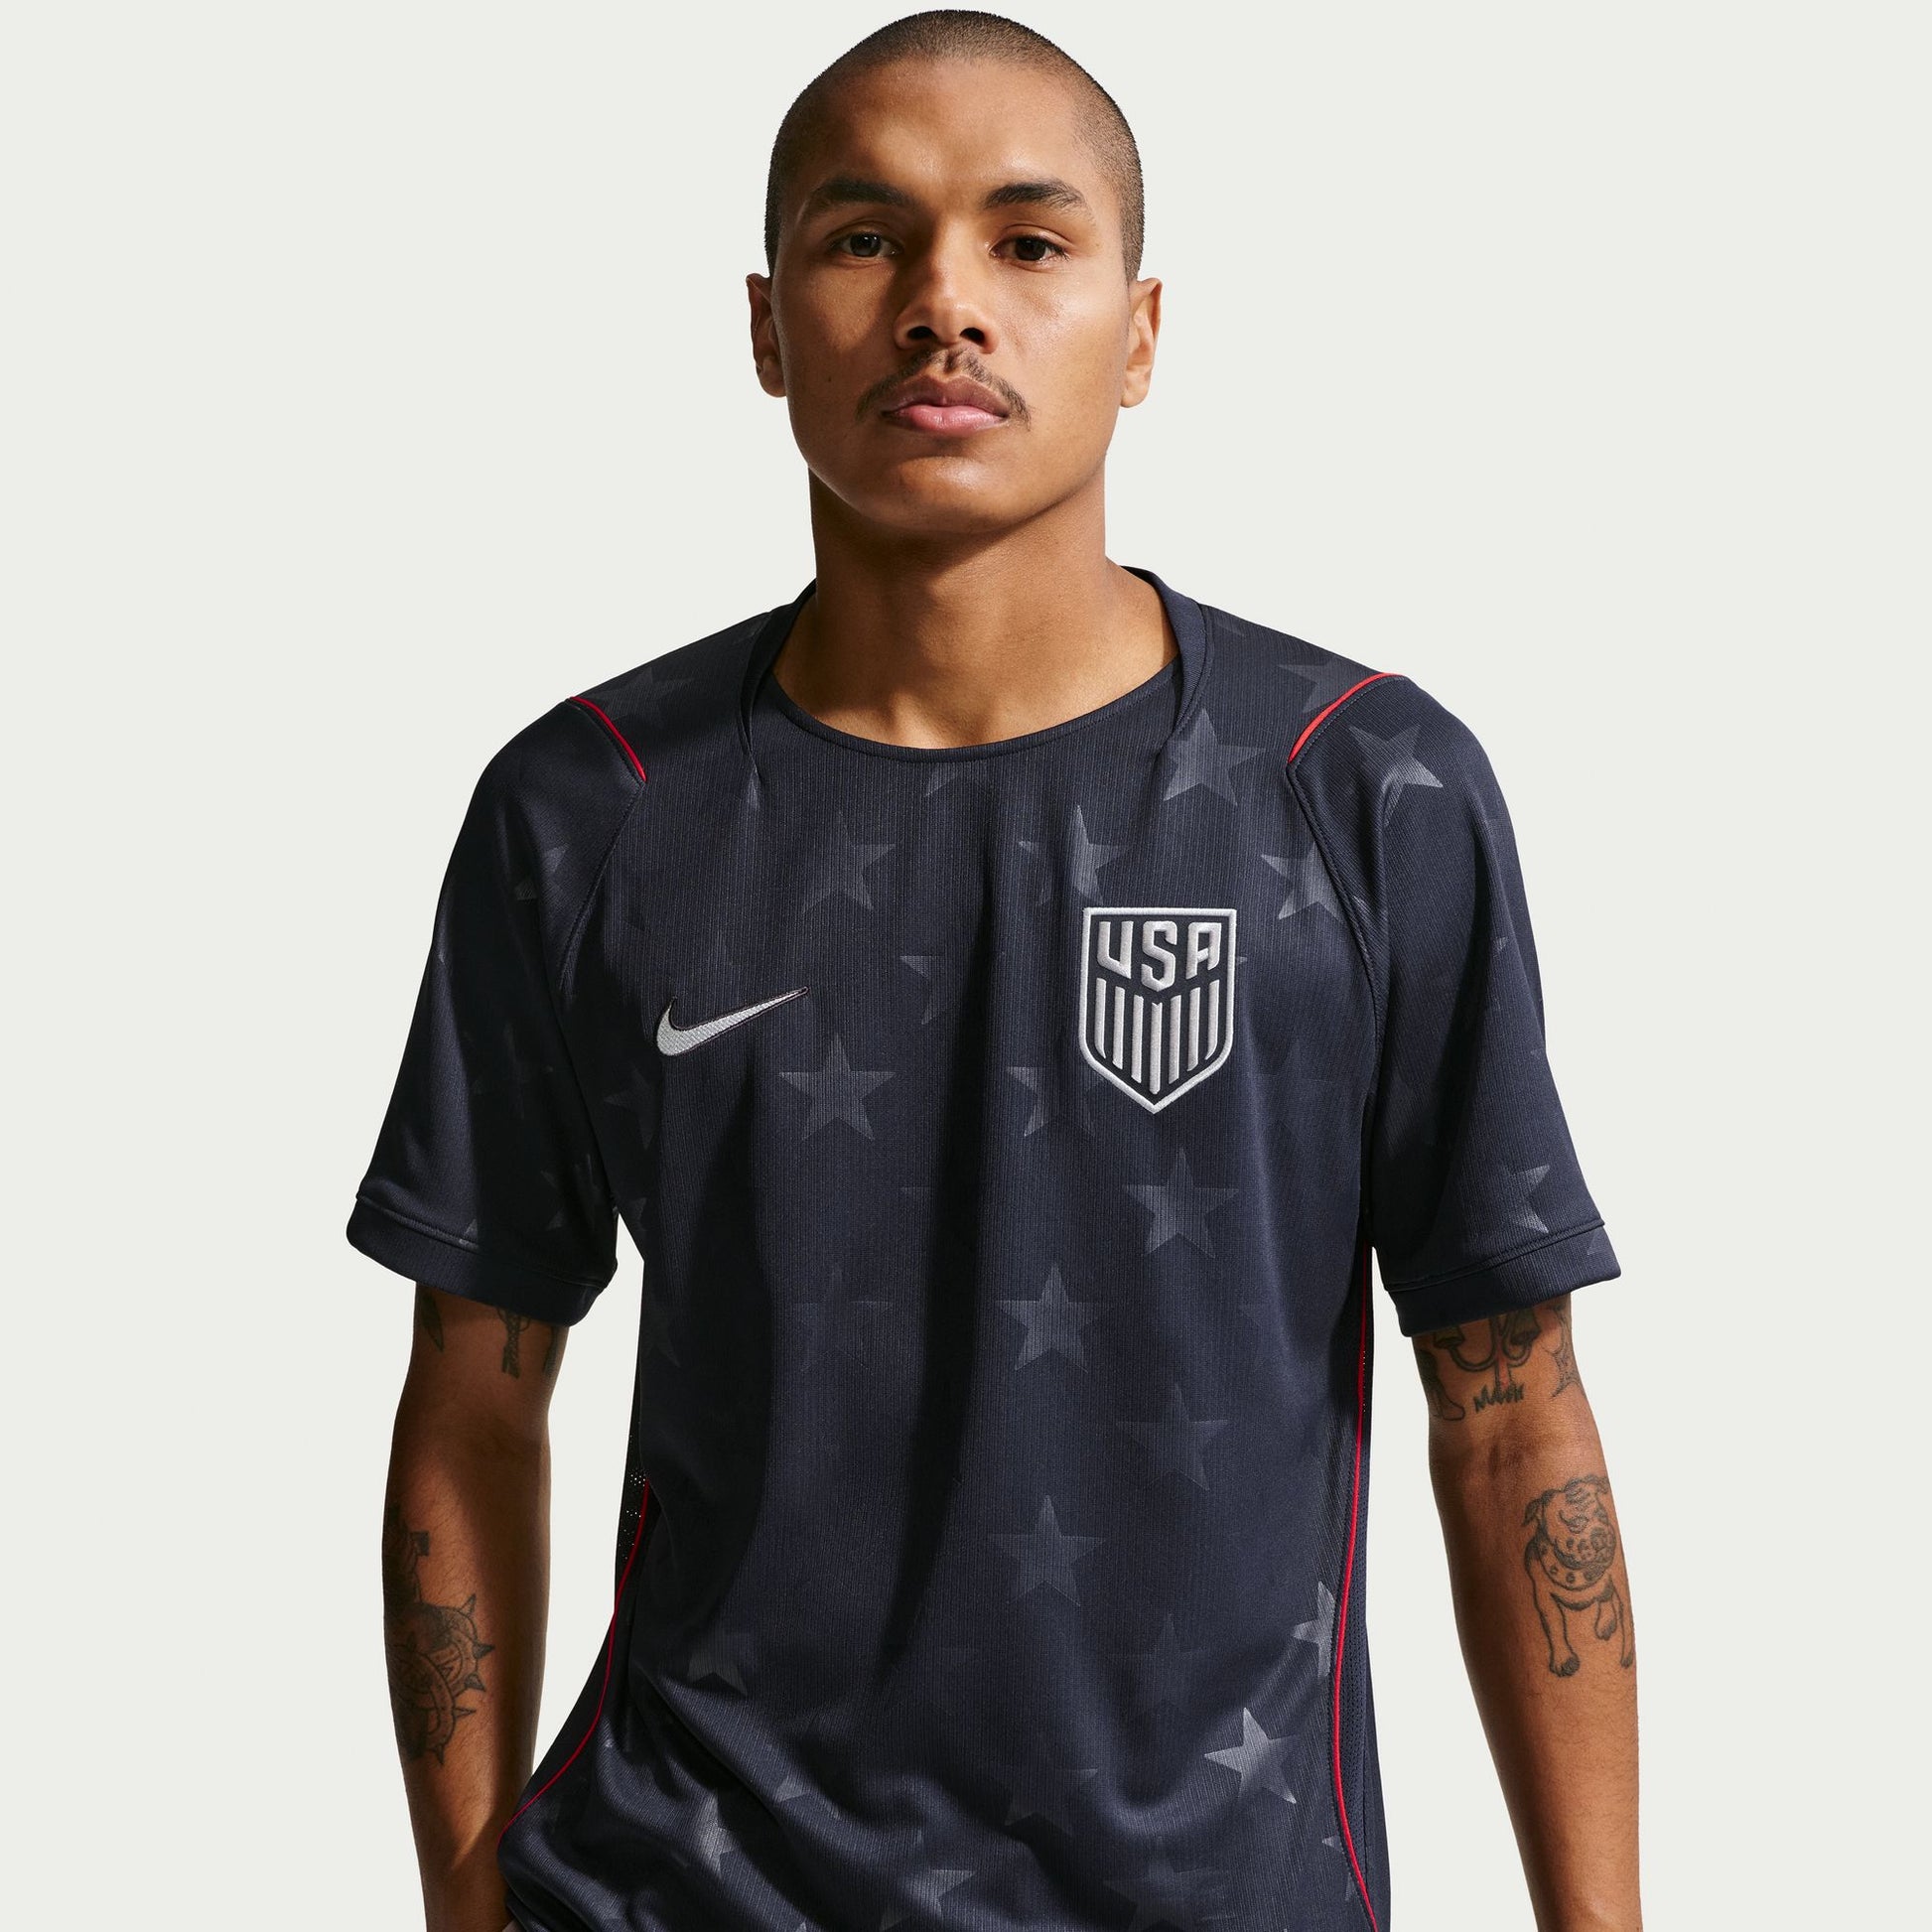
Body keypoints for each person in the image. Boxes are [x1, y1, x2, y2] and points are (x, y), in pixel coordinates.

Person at [347, 11, 1640, 1930]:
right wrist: (463, 1908)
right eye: (864, 238)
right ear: (768, 326)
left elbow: (1512, 1404)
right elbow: (473, 1389)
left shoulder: (1363, 788)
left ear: (1140, 331)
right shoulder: (591, 807)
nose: (943, 304)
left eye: (1028, 241)